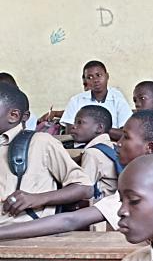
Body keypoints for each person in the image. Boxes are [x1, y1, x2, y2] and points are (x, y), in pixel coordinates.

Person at [0, 110, 153, 239]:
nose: (118, 143)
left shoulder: (146, 191)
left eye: (126, 137)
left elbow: (69, 221)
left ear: (150, 147)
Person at [0, 83, 91, 225]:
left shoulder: (40, 142)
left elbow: (84, 188)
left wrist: (37, 198)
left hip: (21, 231)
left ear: (13, 116)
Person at [60, 61, 132, 139]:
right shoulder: (76, 100)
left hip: (111, 144)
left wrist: (94, 130)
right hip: (82, 145)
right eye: (90, 77)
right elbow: (70, 132)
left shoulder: (117, 98)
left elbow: (126, 133)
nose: (95, 80)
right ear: (85, 80)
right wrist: (98, 130)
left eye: (99, 75)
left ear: (107, 76)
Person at [74, 104, 118, 200]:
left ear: (99, 128)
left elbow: (83, 190)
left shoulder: (92, 153)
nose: (74, 126)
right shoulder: (113, 146)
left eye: (80, 122)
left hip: (101, 204)